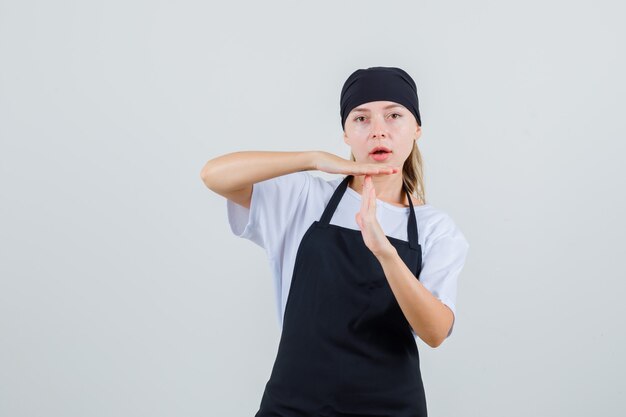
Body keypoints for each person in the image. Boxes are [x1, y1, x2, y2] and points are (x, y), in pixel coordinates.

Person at [200, 66, 470, 417]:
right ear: (345, 133)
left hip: (390, 410)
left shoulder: (437, 229)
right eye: (360, 119)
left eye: (394, 116)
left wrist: (385, 253)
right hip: (293, 406)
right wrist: (313, 159)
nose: (378, 131)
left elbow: (435, 331)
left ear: (416, 128)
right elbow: (213, 175)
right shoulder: (305, 199)